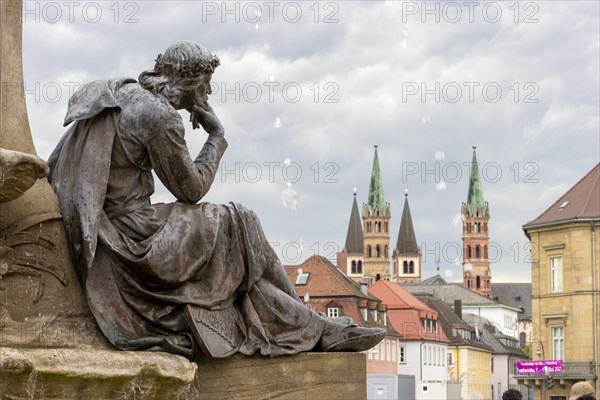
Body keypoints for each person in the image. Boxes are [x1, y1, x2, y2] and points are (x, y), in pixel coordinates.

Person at [48, 42, 385, 360]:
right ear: (189, 82)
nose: (208, 94)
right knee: (240, 220)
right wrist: (217, 137)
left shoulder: (121, 92)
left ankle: (311, 323)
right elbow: (191, 190)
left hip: (109, 224)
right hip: (131, 238)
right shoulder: (159, 117)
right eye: (206, 85)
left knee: (238, 237)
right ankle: (314, 325)